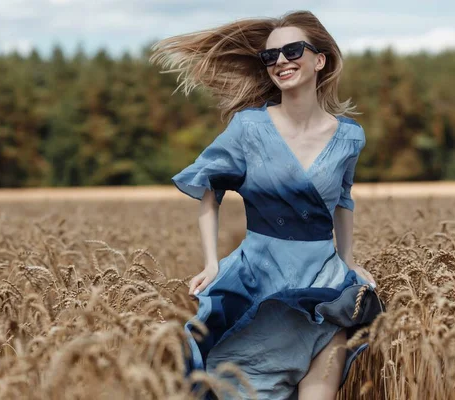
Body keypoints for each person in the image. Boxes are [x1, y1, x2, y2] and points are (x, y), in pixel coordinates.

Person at [150, 10, 384, 400]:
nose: (280, 61)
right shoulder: (248, 127)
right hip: (259, 278)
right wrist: (211, 263)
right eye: (270, 56)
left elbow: (343, 201)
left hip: (323, 283)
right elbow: (209, 188)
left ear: (319, 59)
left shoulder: (349, 137)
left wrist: (348, 262)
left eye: (292, 50)